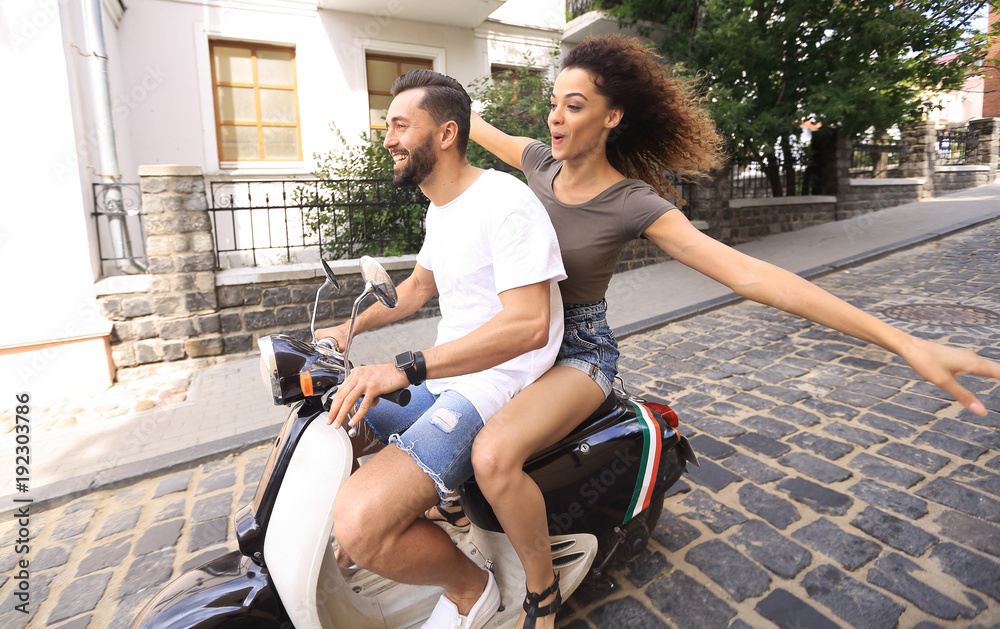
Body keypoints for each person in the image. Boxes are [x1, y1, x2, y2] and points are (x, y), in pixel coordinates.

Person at [464, 34, 1000, 629]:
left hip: (579, 351)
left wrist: (905, 341)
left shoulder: (631, 203)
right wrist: (438, 100)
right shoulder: (539, 163)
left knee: (494, 455)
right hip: (519, 333)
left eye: (574, 104)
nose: (554, 117)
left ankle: (543, 593)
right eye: (554, 102)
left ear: (611, 116)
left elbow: (748, 273)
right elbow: (472, 125)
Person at [317, 69, 566, 629]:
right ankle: (424, 515)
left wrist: (405, 369)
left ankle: (469, 589)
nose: (388, 139)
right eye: (388, 127)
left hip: (496, 385)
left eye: (401, 125)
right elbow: (417, 289)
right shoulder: (441, 207)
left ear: (448, 133)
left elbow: (528, 325)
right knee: (330, 420)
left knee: (358, 522)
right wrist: (346, 330)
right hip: (445, 376)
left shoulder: (505, 201)